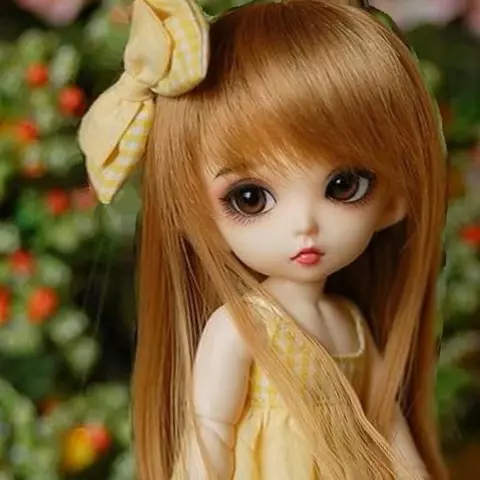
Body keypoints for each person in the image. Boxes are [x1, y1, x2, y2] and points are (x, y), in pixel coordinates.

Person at [79, 0, 448, 478]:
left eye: (344, 186)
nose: (305, 224)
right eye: (250, 198)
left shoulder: (350, 323)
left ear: (393, 202)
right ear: (197, 215)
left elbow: (387, 422)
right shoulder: (243, 327)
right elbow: (210, 432)